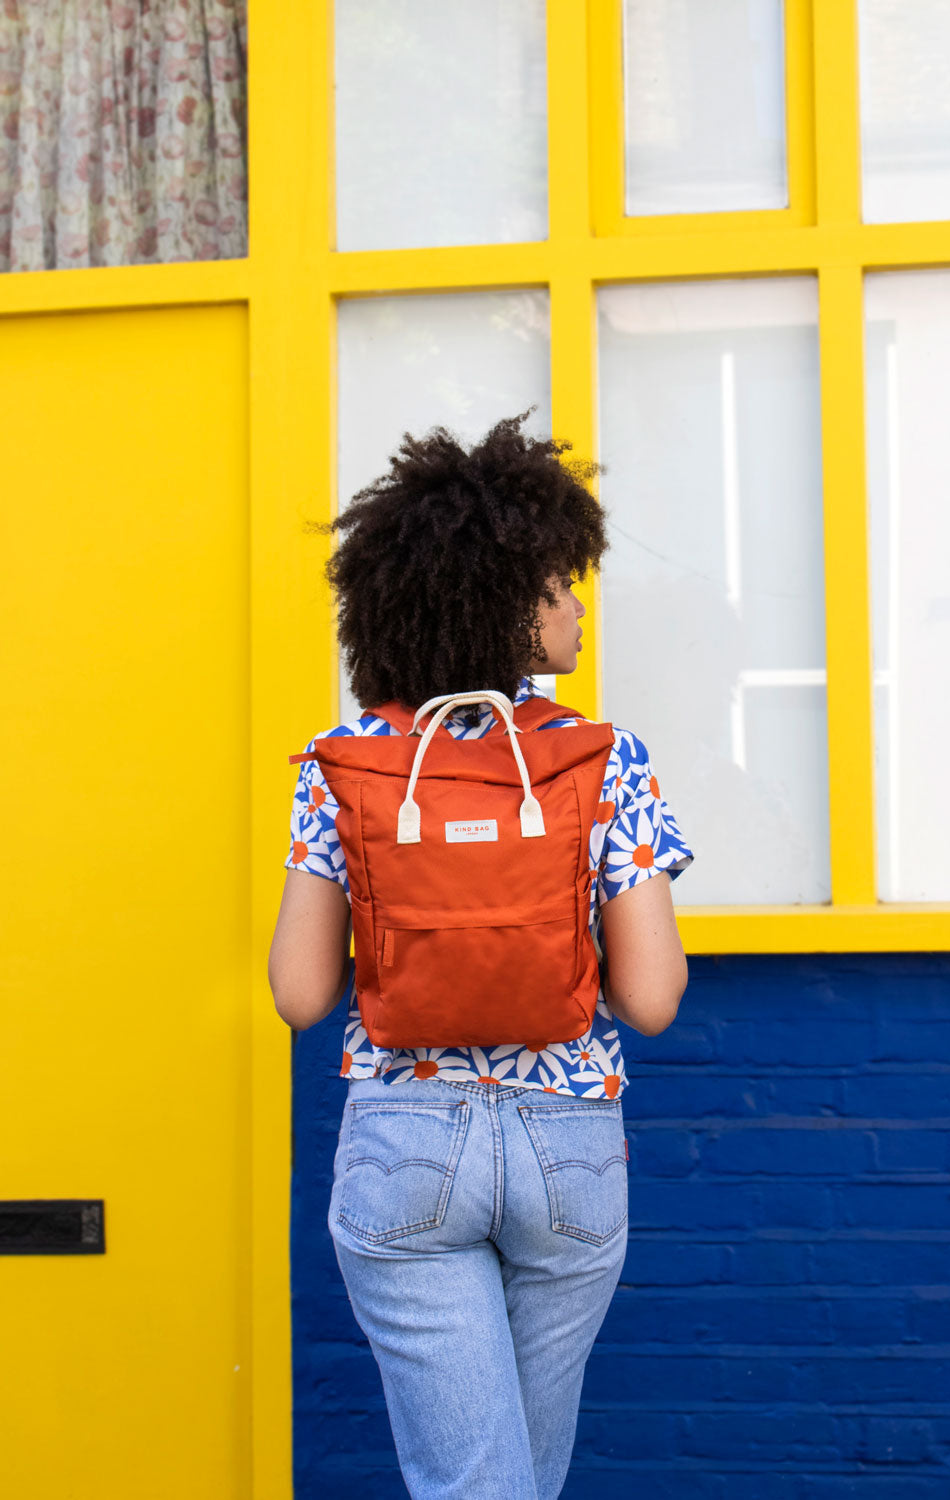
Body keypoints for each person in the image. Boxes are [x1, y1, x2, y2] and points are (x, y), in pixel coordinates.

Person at [268, 411, 693, 1499]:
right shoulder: (606, 757)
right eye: (558, 585)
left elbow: (299, 992)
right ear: (507, 607)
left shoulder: (343, 763)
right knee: (519, 1485)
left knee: (476, 1485)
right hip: (569, 1152)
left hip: (403, 1142)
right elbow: (651, 999)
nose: (577, 605)